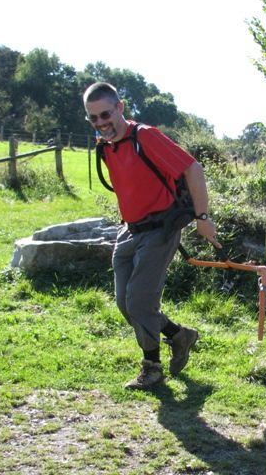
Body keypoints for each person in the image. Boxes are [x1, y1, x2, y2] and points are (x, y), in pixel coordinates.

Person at [83, 82, 221, 389]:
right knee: (125, 304)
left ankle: (152, 367)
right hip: (130, 231)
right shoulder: (106, 145)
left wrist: (203, 218)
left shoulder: (144, 136)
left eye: (105, 114)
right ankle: (179, 335)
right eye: (93, 118)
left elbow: (193, 169)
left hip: (161, 229)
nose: (100, 122)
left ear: (120, 107)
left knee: (140, 300)